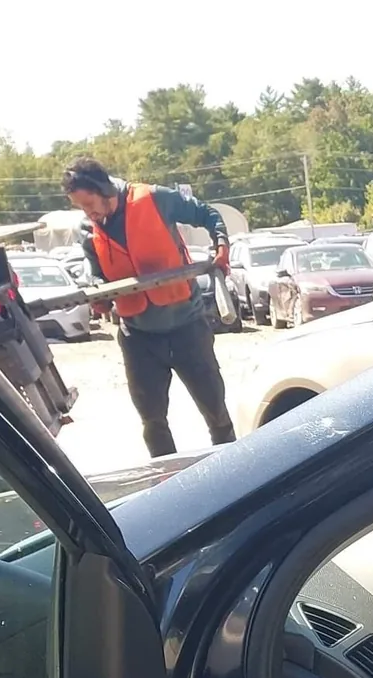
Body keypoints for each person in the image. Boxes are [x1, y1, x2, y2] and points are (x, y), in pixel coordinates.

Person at [62, 157, 237, 458]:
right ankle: (168, 480)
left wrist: (221, 246)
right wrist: (98, 294)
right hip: (138, 336)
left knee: (216, 411)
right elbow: (97, 274)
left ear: (105, 189)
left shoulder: (156, 198)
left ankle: (235, 469)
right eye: (80, 207)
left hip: (187, 326)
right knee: (153, 421)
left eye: (89, 203)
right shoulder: (87, 229)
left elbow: (207, 213)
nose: (87, 212)